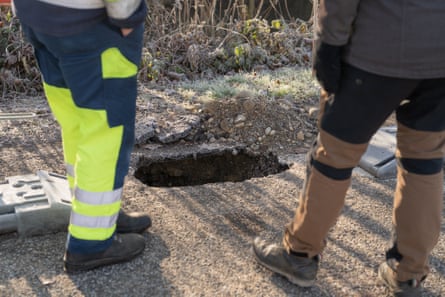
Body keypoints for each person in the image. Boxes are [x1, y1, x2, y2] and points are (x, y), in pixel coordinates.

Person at [252, 1, 445, 296]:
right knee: (424, 161)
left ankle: (299, 255)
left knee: (334, 156)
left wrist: (329, 41)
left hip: (377, 49)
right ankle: (409, 275)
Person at [12, 0, 152, 273]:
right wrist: (127, 16)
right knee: (104, 132)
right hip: (90, 23)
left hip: (38, 15)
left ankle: (94, 215)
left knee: (76, 121)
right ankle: (91, 243)